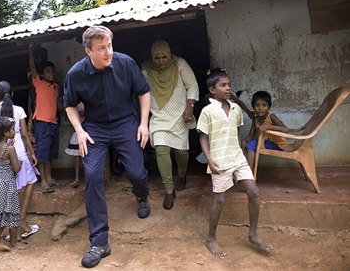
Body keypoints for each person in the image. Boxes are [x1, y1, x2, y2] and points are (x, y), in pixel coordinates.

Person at [63, 25, 151, 268]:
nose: (108, 52)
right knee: (91, 175)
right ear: (88, 51)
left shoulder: (125, 63)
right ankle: (100, 241)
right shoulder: (75, 74)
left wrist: (143, 124)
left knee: (135, 171)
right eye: (101, 48)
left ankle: (142, 195)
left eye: (109, 45)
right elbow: (70, 105)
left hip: (125, 123)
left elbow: (143, 92)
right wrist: (79, 131)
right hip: (96, 128)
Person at [197, 69, 272, 257]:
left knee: (254, 192)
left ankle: (253, 233)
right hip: (219, 160)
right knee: (220, 199)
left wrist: (241, 148)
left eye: (229, 84)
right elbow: (203, 138)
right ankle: (211, 238)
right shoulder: (207, 111)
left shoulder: (236, 109)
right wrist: (209, 159)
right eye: (223, 85)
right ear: (213, 90)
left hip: (237, 157)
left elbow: (237, 132)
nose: (228, 88)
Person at [141, 40, 198, 210]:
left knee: (181, 152)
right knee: (161, 150)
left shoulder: (180, 64)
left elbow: (192, 85)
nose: (161, 61)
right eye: (157, 58)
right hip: (159, 116)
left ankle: (182, 174)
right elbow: (140, 90)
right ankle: (168, 190)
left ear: (169, 54)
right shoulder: (145, 70)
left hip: (180, 115)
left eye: (164, 57)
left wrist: (190, 106)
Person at [0, 81, 40, 239]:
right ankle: (21, 220)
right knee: (30, 182)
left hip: (0, 152)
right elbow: (24, 135)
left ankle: (4, 226)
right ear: (12, 94)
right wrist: (32, 153)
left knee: (8, 189)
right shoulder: (19, 110)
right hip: (19, 151)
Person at [0, 116, 25, 251]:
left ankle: (7, 241)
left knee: (2, 213)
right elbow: (16, 169)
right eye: (13, 129)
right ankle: (10, 242)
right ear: (6, 133)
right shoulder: (10, 149)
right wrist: (20, 162)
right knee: (11, 212)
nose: (14, 131)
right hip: (8, 185)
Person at [29, 45, 61, 193]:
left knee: (50, 153)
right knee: (42, 153)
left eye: (52, 71)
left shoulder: (56, 87)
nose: (51, 74)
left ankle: (50, 178)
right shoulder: (39, 83)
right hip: (42, 122)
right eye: (48, 71)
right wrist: (30, 49)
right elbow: (32, 67)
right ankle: (43, 182)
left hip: (53, 123)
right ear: (41, 74)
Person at [242, 91, 288, 170]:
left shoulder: (271, 116)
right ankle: (245, 169)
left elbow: (285, 129)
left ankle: (249, 172)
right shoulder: (256, 119)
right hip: (264, 143)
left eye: (264, 105)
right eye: (257, 105)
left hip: (277, 144)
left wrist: (267, 126)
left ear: (269, 107)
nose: (260, 108)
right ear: (253, 107)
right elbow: (250, 135)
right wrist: (244, 141)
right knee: (244, 143)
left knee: (251, 144)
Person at [64, 102, 85, 188]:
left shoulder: (86, 101)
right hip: (78, 131)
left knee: (88, 156)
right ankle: (77, 178)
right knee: (77, 156)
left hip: (88, 130)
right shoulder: (75, 103)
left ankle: (86, 177)